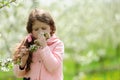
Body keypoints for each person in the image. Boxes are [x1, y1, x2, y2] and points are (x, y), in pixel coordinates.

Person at [13, 8, 64, 80]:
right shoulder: (27, 44)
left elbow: (52, 67)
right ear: (31, 31)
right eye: (36, 29)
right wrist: (23, 61)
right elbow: (18, 74)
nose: (40, 32)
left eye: (44, 28)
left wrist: (44, 47)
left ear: (51, 28)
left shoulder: (57, 44)